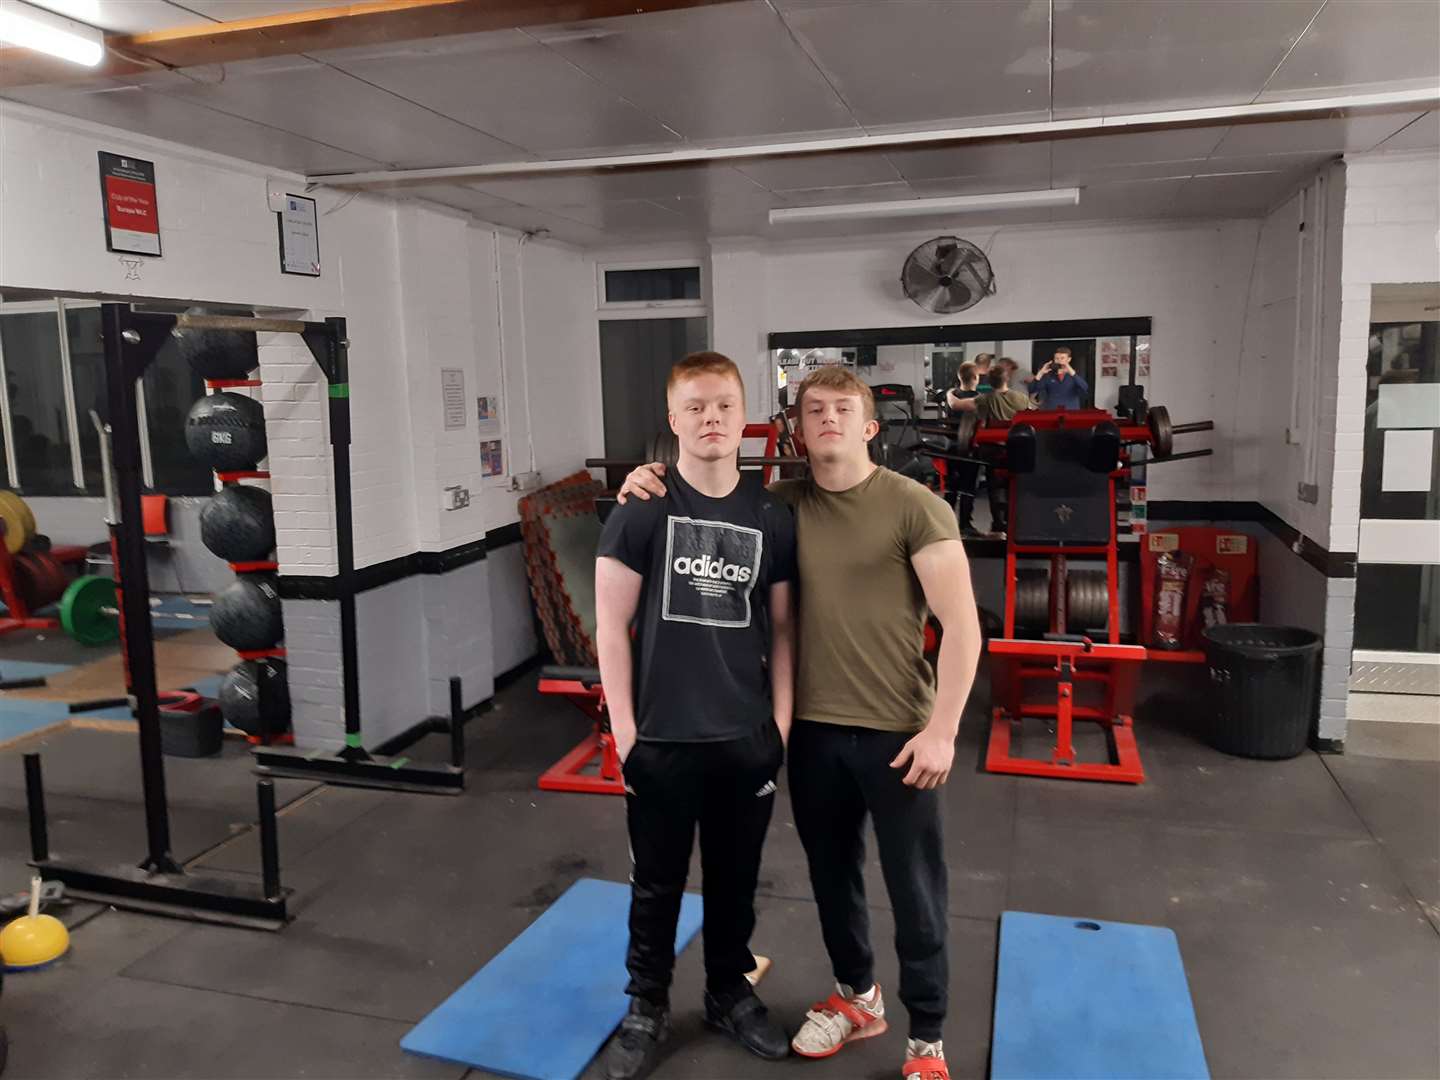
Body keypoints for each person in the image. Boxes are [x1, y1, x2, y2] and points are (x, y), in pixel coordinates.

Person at [618, 365, 982, 1080]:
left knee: (915, 885)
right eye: (813, 410)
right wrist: (646, 479)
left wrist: (942, 729)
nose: (828, 421)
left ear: (870, 426)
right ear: (795, 427)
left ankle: (928, 1037)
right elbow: (710, 491)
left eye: (843, 409)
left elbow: (964, 627)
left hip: (897, 731)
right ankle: (857, 997)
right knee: (832, 875)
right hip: (812, 733)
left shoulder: (916, 507)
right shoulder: (778, 507)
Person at [595, 351, 797, 1080]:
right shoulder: (642, 508)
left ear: (743, 416)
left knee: (736, 878)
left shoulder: (771, 514)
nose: (711, 419)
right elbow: (609, 627)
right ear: (674, 420)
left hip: (744, 737)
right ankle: (645, 1005)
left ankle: (727, 994)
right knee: (655, 883)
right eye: (696, 407)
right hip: (662, 740)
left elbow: (782, 629)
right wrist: (625, 736)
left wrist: (779, 725)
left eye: (723, 406)